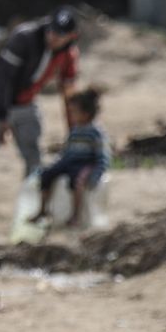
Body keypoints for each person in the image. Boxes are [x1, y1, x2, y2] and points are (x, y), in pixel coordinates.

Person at [0, 7, 79, 227]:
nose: (53, 37)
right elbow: (4, 80)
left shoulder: (68, 54)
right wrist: (3, 118)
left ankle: (29, 212)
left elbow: (68, 93)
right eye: (52, 31)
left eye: (59, 35)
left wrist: (74, 130)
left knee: (34, 159)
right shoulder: (24, 38)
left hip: (26, 104)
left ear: (71, 37)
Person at [34, 86, 110, 229]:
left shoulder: (96, 133)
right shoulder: (74, 131)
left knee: (78, 181)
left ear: (86, 113)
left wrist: (96, 175)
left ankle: (75, 215)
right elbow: (66, 153)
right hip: (69, 163)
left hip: (86, 164)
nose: (71, 115)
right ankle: (43, 210)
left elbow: (102, 157)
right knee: (46, 174)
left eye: (74, 112)